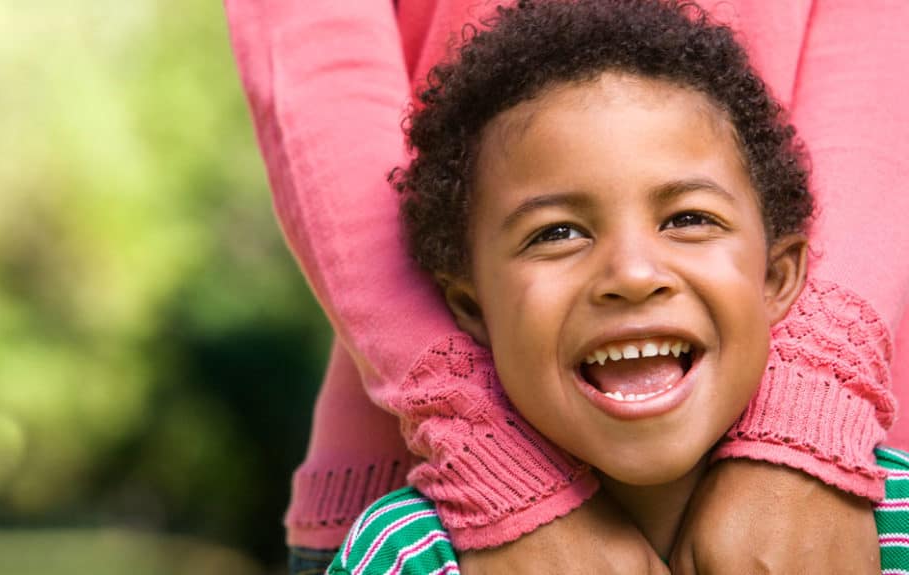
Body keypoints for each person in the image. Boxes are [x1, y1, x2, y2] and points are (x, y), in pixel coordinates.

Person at [224, 0, 908, 572]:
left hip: (838, 500)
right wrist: (486, 455)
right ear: (468, 300)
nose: (633, 274)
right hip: (435, 497)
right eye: (558, 232)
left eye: (688, 219)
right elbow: (314, 56)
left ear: (780, 273)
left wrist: (809, 413)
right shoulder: (404, 553)